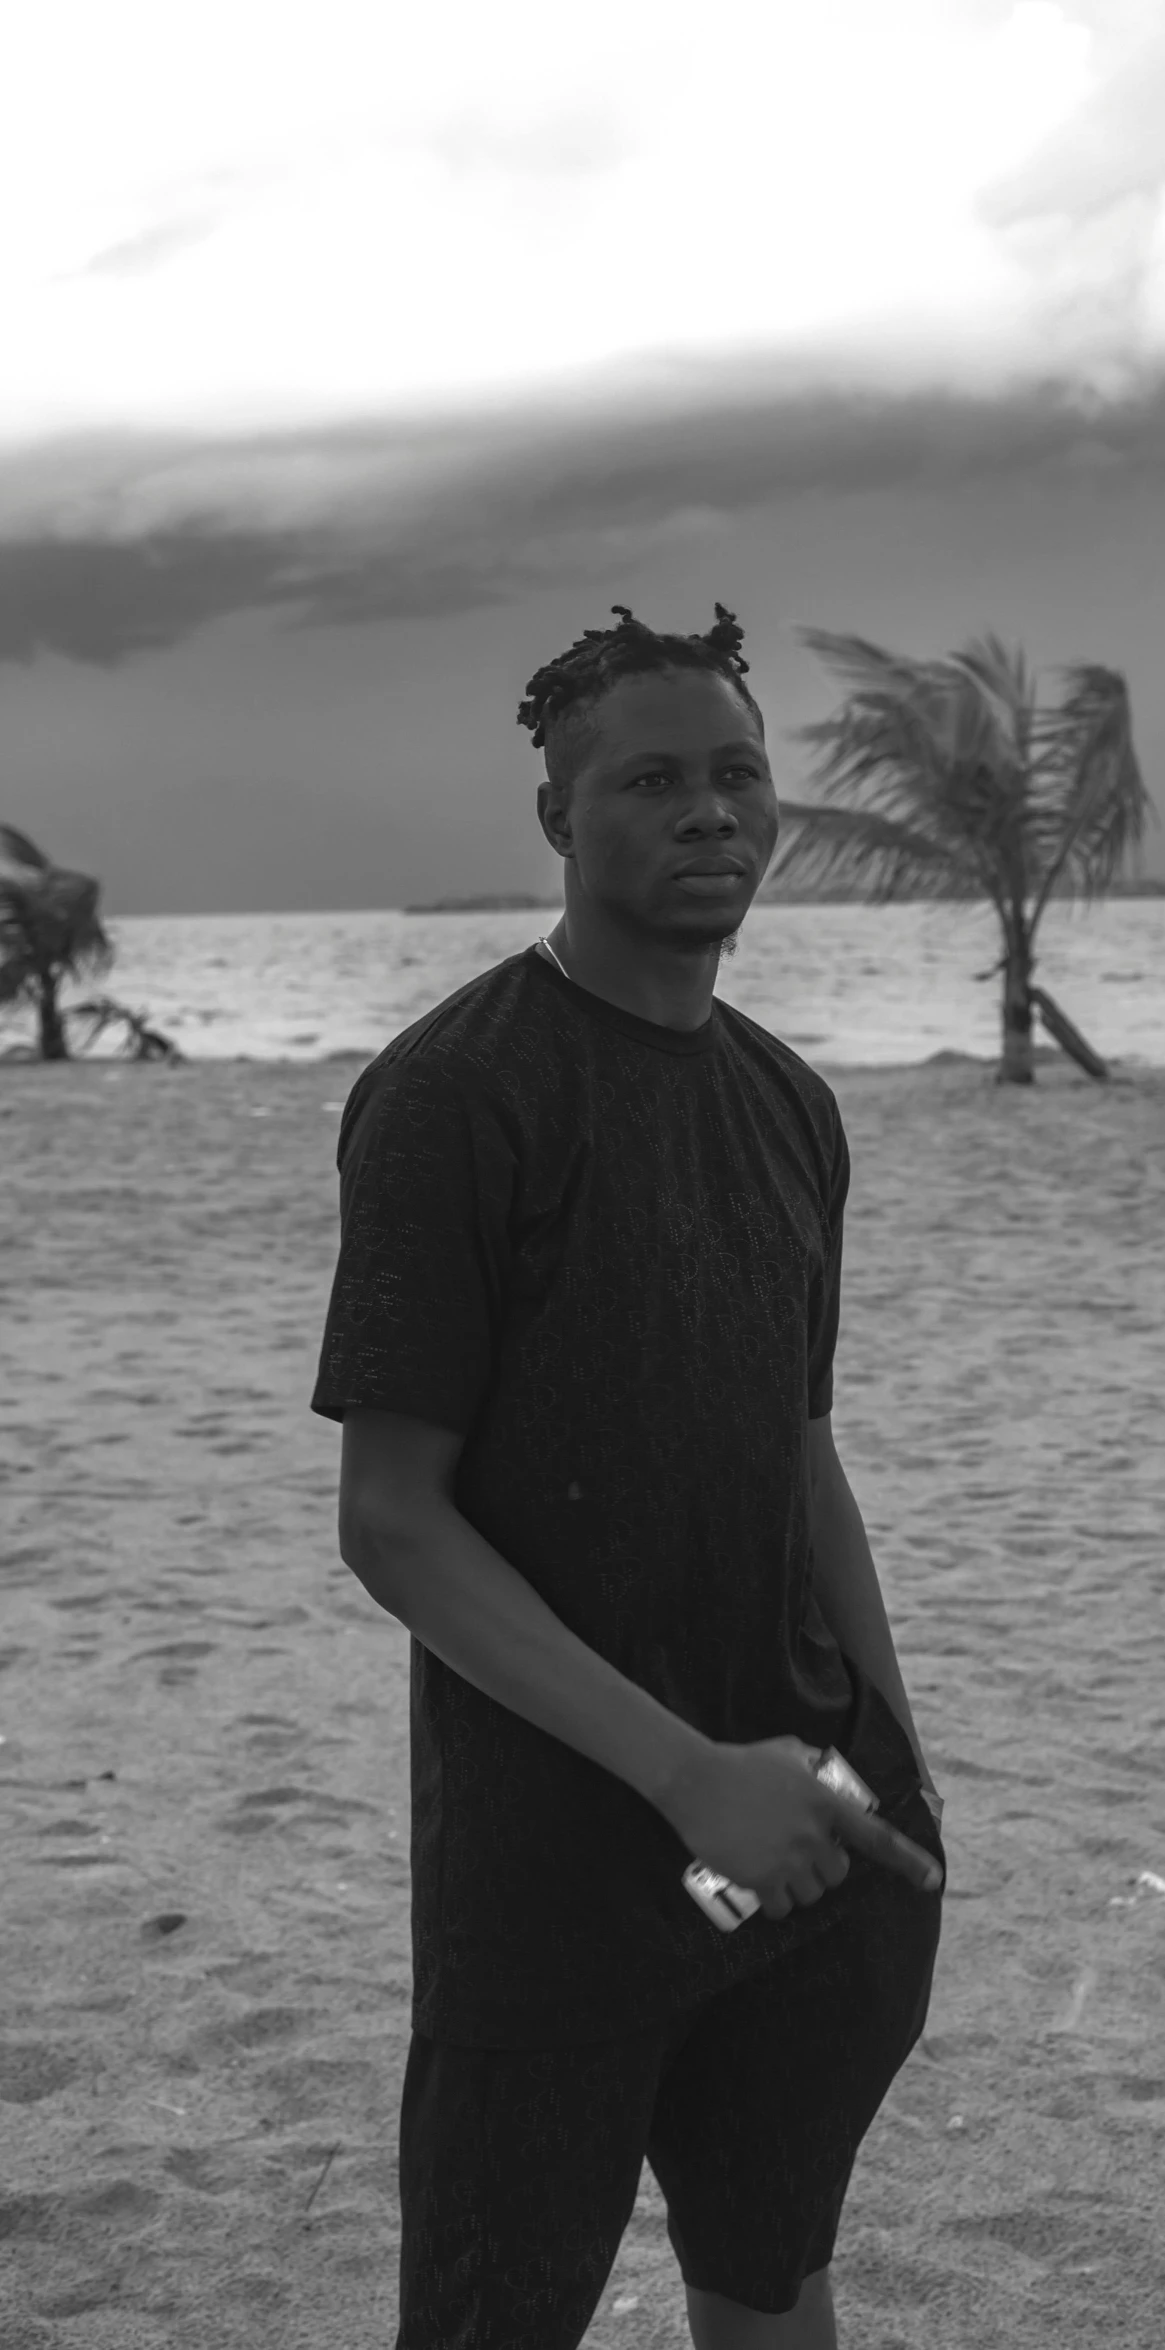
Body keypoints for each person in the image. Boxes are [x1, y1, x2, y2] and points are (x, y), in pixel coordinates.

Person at [312, 604, 946, 2349]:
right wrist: (685, 1774)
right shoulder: (457, 1095)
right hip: (558, 1868)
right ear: (557, 816)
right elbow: (393, 1518)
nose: (709, 814)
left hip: (800, 1835)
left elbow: (799, 1453)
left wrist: (889, 1742)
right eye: (651, 779)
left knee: (771, 2278)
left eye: (737, 775)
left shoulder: (790, 1105)